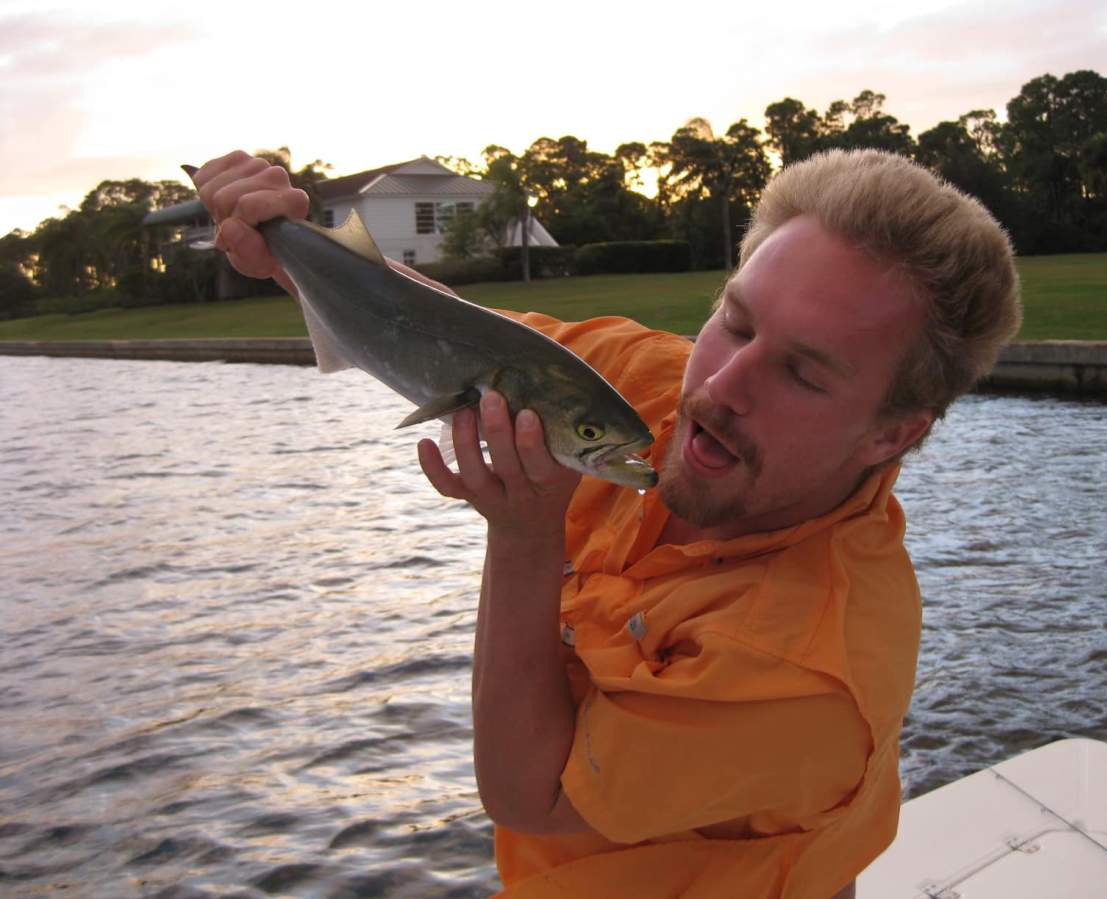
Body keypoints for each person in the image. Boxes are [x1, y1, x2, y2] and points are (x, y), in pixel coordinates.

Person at [191, 148, 1020, 898]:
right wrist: (293, 251)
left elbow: (530, 790)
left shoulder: (804, 662)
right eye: (735, 321)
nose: (721, 387)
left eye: (803, 373)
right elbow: (458, 338)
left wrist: (522, 536)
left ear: (892, 432)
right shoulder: (654, 387)